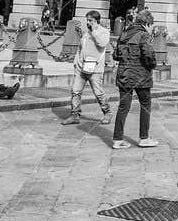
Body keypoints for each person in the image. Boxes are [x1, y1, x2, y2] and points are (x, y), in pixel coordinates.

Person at [111, 8, 159, 149]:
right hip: (140, 76)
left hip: (124, 75)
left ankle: (117, 140)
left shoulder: (124, 33)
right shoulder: (143, 35)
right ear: (147, 23)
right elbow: (149, 55)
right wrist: (152, 65)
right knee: (145, 105)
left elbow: (116, 55)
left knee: (123, 107)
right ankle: (144, 138)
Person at [65, 10, 112, 124]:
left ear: (96, 21)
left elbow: (102, 43)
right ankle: (75, 115)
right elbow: (81, 47)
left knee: (98, 92)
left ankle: (107, 113)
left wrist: (94, 31)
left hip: (95, 69)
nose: (88, 23)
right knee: (75, 91)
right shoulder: (86, 33)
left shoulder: (104, 32)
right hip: (81, 67)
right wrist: (76, 59)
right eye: (87, 20)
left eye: (90, 20)